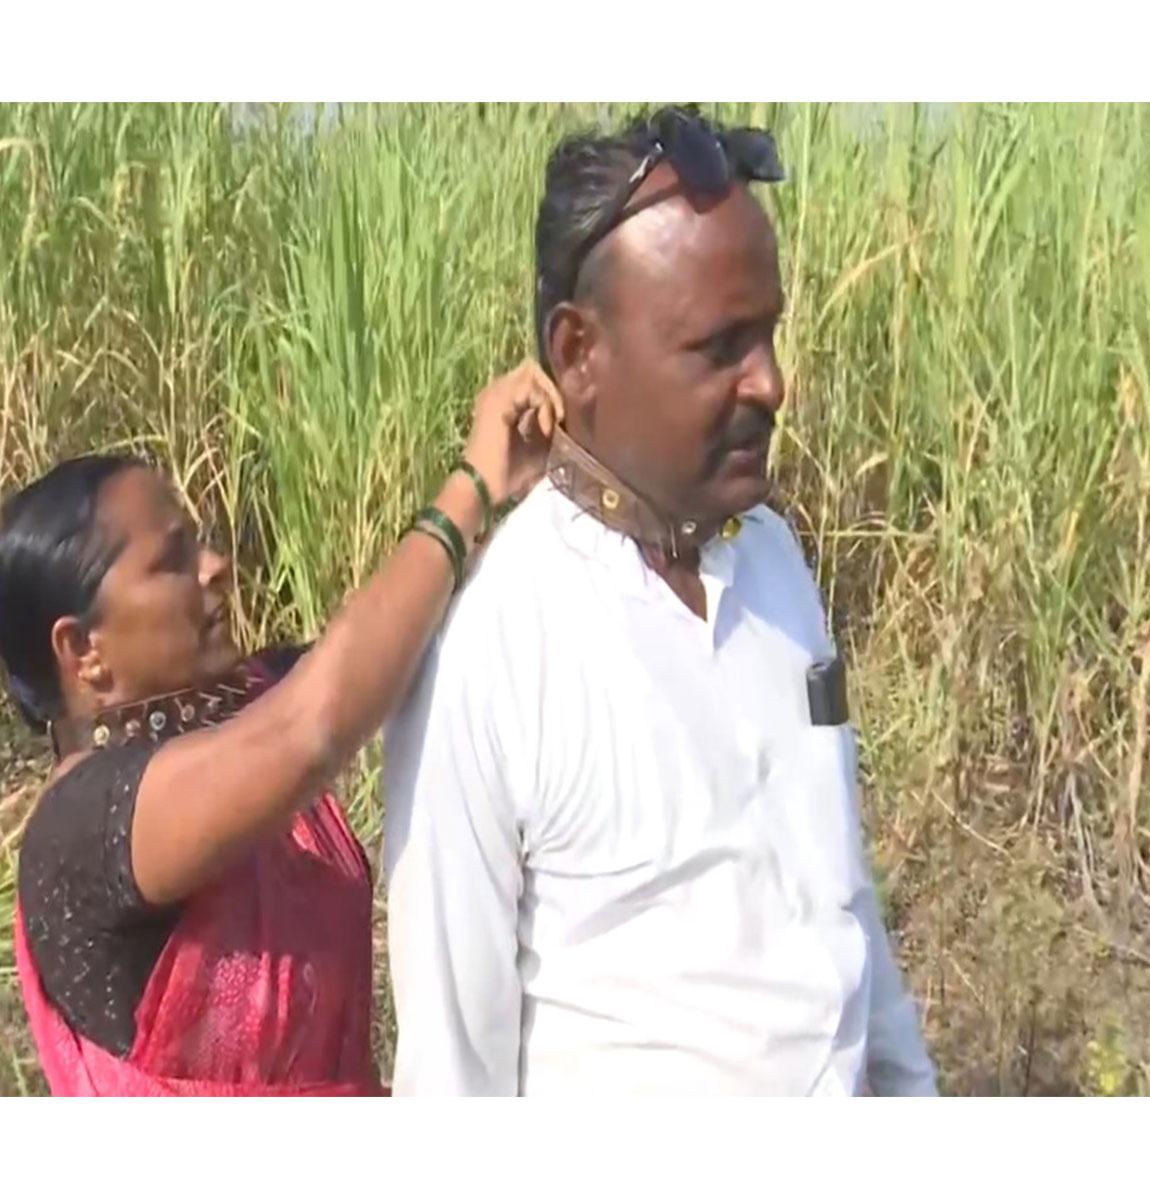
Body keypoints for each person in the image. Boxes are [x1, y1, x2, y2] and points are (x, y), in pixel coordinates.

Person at [382, 107, 939, 1095]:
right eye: (719, 347)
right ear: (579, 352)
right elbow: (452, 1075)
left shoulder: (772, 563)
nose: (772, 383)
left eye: (767, 334)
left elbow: (840, 899)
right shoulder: (493, 646)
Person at [0, 362, 560, 1096]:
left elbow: (381, 649)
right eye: (172, 561)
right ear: (81, 650)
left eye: (201, 543)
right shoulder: (84, 827)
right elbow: (313, 727)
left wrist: (530, 494)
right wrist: (469, 486)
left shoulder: (245, 707)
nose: (216, 567)